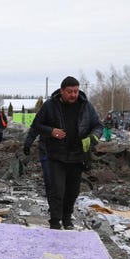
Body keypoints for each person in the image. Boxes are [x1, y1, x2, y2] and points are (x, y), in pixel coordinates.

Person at [31, 76, 103, 230]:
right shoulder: (50, 105)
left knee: (72, 191)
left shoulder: (86, 106)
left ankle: (67, 218)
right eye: (70, 92)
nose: (73, 95)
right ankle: (55, 221)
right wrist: (51, 131)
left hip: (77, 157)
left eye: (76, 91)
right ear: (62, 91)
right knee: (57, 189)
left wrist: (93, 137)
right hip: (56, 155)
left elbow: (97, 125)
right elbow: (36, 125)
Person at [22, 128, 52, 200]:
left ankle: (53, 199)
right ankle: (53, 201)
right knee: (51, 177)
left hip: (52, 152)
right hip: (49, 151)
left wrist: (27, 145)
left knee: (50, 177)